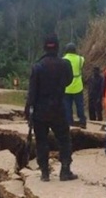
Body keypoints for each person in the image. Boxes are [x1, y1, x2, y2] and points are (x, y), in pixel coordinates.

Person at [25, 34, 77, 182]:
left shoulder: (37, 66)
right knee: (64, 140)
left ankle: (45, 173)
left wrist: (28, 110)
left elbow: (32, 92)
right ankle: (65, 170)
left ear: (44, 47)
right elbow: (69, 81)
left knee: (41, 141)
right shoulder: (65, 64)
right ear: (58, 46)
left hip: (40, 111)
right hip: (58, 108)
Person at [63, 43, 87, 128]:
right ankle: (82, 121)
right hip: (78, 85)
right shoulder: (80, 59)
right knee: (79, 105)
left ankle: (69, 122)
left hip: (67, 86)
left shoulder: (64, 59)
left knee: (67, 106)